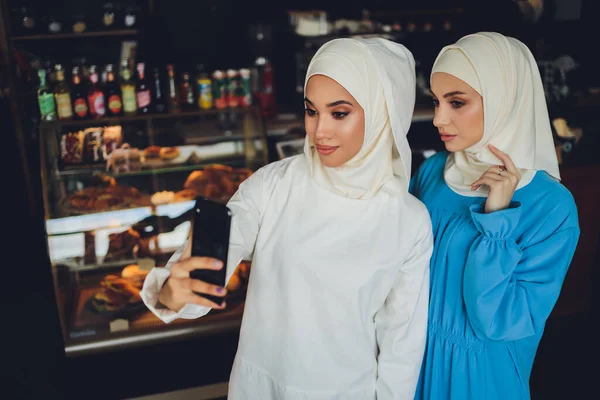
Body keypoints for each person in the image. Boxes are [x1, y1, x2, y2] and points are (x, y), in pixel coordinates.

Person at [141, 37, 433, 399]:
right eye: (311, 111)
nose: (319, 130)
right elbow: (215, 255)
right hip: (261, 387)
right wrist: (175, 289)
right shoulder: (273, 184)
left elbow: (401, 341)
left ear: (382, 113)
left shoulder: (409, 221)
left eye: (339, 113)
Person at [410, 32, 580, 400]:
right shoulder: (432, 172)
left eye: (457, 102)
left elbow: (499, 321)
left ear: (507, 98)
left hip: (480, 379)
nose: (439, 118)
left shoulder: (551, 207)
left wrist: (497, 221)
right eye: (437, 101)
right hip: (411, 365)